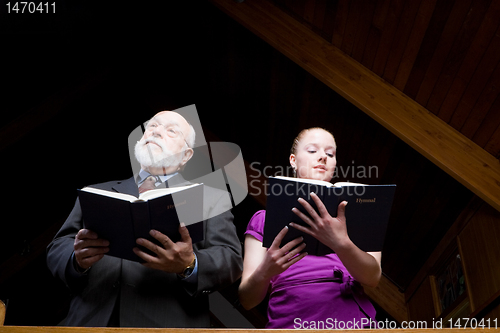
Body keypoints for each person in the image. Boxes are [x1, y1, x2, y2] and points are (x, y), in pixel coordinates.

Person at [47, 111, 243, 327]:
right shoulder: (95, 192)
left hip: (168, 328)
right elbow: (58, 246)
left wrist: (189, 265)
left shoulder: (211, 198)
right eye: (152, 126)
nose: (157, 131)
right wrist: (76, 260)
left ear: (186, 155)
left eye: (171, 131)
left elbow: (230, 259)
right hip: (90, 324)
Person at [238, 127, 381, 329]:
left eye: (330, 154)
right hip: (290, 323)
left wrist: (341, 244)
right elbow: (247, 300)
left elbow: (373, 278)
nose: (323, 157)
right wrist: (265, 271)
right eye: (313, 151)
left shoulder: (358, 212)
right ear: (293, 160)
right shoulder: (263, 219)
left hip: (354, 323)